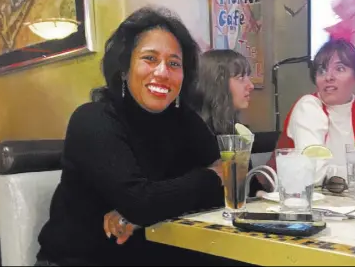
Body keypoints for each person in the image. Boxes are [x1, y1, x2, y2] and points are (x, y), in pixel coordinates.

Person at [35, 6, 226, 266]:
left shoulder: (184, 120)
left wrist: (139, 217)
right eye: (149, 58)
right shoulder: (93, 120)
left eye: (174, 63)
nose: (162, 72)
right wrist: (211, 176)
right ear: (124, 69)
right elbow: (142, 201)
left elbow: (235, 181)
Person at [104, 49, 268, 244]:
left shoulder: (235, 132)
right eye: (241, 77)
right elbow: (162, 193)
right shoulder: (188, 133)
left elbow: (250, 190)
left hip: (228, 235)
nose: (250, 85)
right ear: (216, 83)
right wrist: (131, 214)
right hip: (188, 242)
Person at [262, 38, 355, 191]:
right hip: (294, 201)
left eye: (340, 69)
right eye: (322, 71)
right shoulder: (308, 106)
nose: (328, 77)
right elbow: (314, 173)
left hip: (342, 200)